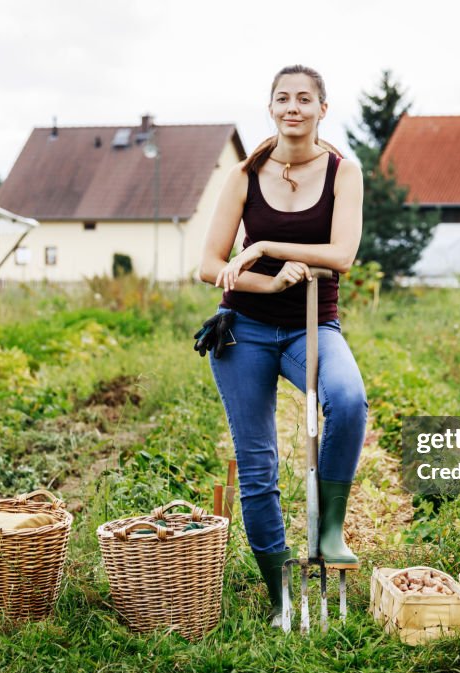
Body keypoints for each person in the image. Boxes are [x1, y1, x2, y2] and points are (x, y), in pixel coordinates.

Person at [197, 64, 367, 627]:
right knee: (258, 466)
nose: (293, 107)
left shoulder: (344, 172)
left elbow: (341, 255)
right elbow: (209, 266)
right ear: (271, 108)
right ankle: (281, 595)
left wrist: (265, 241)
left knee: (347, 400)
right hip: (242, 330)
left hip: (312, 325)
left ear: (323, 108)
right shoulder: (245, 174)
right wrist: (267, 280)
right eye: (282, 98)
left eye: (304, 99)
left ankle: (330, 530)